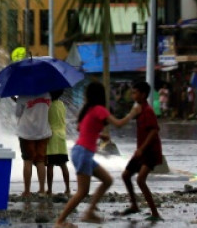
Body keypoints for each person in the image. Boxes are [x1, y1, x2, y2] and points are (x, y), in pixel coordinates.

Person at [54, 82, 136, 228]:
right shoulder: (100, 109)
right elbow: (118, 124)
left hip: (79, 151)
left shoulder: (88, 109)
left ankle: (90, 211)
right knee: (82, 191)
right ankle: (60, 222)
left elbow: (81, 128)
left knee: (107, 180)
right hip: (84, 153)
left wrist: (99, 134)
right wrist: (132, 113)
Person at [116, 81, 163, 221]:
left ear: (143, 95)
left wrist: (142, 149)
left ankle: (155, 213)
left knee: (140, 180)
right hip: (141, 151)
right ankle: (134, 205)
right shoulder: (139, 109)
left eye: (135, 93)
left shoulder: (148, 111)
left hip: (150, 151)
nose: (132, 95)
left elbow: (154, 131)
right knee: (126, 175)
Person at [15, 91, 52, 199]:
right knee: (41, 161)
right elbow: (46, 109)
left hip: (26, 133)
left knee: (28, 161)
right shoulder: (47, 94)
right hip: (43, 131)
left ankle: (27, 191)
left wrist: (17, 101)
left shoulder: (23, 95)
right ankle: (42, 190)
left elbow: (18, 113)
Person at [46, 89, 71, 197]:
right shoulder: (61, 104)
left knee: (50, 165)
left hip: (52, 136)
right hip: (62, 136)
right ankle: (68, 188)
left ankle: (50, 189)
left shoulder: (48, 105)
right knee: (63, 164)